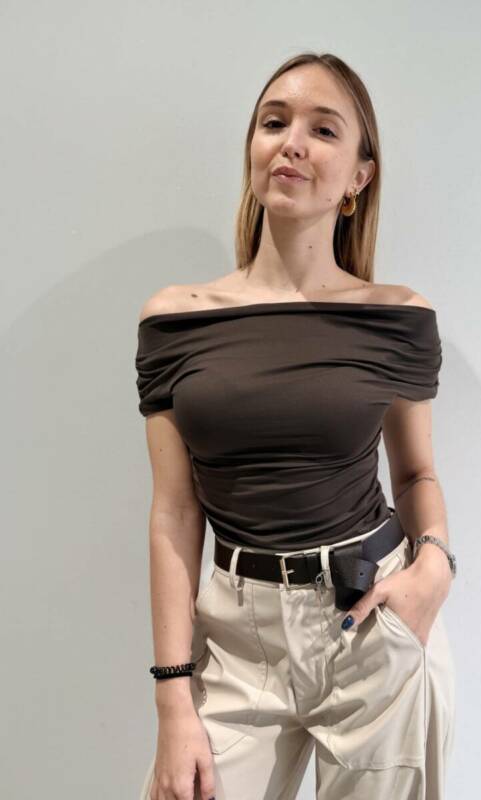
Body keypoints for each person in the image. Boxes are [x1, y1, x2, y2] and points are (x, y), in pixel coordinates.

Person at [135, 51, 456, 800]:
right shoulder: (176, 321)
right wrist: (172, 699)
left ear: (359, 177)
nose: (291, 143)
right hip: (235, 636)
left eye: (323, 130)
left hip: (372, 619)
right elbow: (175, 512)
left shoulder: (397, 318)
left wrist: (435, 564)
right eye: (274, 122)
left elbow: (415, 474)